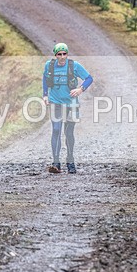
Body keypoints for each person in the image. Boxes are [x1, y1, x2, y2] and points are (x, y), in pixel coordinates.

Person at [42, 43, 93, 174]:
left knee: (69, 132)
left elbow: (89, 78)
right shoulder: (49, 65)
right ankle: (56, 163)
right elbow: (45, 79)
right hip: (55, 102)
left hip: (72, 104)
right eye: (59, 54)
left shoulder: (74, 66)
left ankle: (70, 161)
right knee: (56, 130)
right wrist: (45, 95)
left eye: (65, 54)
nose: (62, 57)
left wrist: (80, 89)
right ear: (55, 55)